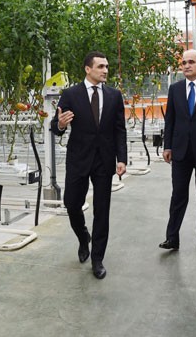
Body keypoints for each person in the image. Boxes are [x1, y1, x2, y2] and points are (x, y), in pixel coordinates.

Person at [51, 51, 127, 279]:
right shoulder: (71, 94)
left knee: (102, 210)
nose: (105, 70)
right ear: (88, 69)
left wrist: (122, 158)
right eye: (101, 66)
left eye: (107, 67)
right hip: (79, 158)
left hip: (104, 160)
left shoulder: (114, 96)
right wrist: (60, 124)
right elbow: (56, 126)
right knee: (71, 203)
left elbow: (119, 129)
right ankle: (83, 236)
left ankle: (97, 258)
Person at [159, 49, 196, 252]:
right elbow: (170, 119)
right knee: (178, 195)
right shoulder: (175, 89)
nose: (187, 66)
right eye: (184, 63)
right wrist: (167, 145)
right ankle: (172, 237)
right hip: (180, 151)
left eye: (191, 62)